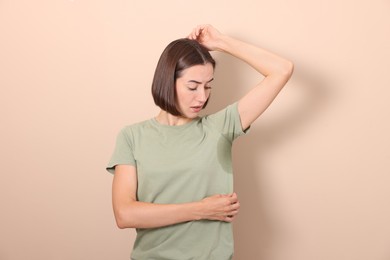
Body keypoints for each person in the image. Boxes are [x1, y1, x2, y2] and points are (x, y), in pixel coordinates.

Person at [106, 24, 293, 260]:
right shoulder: (132, 136)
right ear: (168, 81)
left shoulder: (220, 127)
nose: (202, 97)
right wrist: (201, 209)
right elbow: (125, 214)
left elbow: (282, 70)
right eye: (192, 86)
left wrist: (221, 43)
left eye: (208, 86)